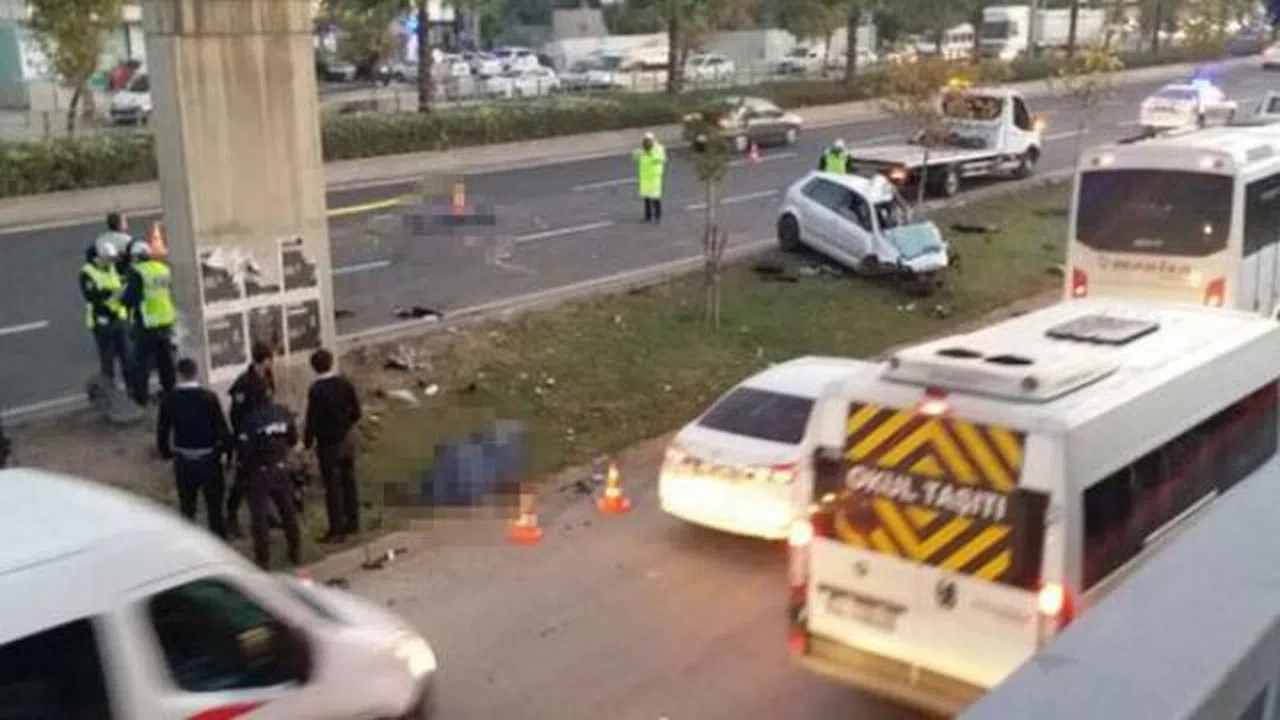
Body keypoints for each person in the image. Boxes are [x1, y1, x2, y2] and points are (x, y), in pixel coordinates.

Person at [156, 357, 232, 538]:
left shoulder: (170, 400)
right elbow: (222, 430)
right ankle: (219, 545)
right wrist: (226, 453)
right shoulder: (209, 398)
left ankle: (190, 545)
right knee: (215, 508)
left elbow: (162, 432)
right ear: (196, 372)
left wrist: (167, 454)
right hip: (209, 460)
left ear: (179, 375)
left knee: (187, 508)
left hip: (184, 460)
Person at [237, 382, 302, 569]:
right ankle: (295, 552)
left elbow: (245, 450)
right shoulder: (283, 413)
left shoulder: (250, 419)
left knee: (259, 517)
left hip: (259, 471)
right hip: (280, 468)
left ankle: (263, 559)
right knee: (288, 510)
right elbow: (293, 439)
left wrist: (244, 468)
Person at [304, 348, 363, 543]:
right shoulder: (344, 383)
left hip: (327, 443)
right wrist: (347, 425)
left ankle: (337, 530)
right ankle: (353, 521)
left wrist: (308, 441)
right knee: (349, 481)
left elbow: (312, 418)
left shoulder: (316, 390)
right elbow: (357, 411)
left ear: (314, 368)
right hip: (346, 439)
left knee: (332, 487)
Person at [225, 342, 276, 537]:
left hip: (265, 435)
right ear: (265, 360)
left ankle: (267, 513)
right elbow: (235, 413)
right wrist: (242, 435)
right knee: (243, 477)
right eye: (271, 360)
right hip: (248, 437)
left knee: (268, 474)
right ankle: (231, 515)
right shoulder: (244, 382)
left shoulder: (268, 378)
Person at [122, 241, 177, 405]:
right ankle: (169, 393)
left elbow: (132, 297)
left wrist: (123, 300)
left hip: (147, 323)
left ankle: (141, 397)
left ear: (136, 257)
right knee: (165, 362)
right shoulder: (162, 269)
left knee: (141, 363)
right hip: (165, 321)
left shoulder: (137, 272)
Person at [79, 237, 130, 384]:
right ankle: (110, 389)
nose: (112, 262)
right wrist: (113, 294)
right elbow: (92, 296)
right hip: (101, 321)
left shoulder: (111, 268)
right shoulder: (87, 273)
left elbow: (119, 281)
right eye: (109, 259)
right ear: (98, 258)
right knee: (107, 359)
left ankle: (131, 387)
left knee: (126, 356)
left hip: (119, 317)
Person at [633, 131, 666, 223]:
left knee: (656, 198)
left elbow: (660, 158)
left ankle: (658, 216)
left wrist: (648, 153)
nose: (646, 142)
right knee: (646, 198)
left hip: (654, 177)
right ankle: (648, 216)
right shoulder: (643, 150)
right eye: (645, 140)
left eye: (648, 140)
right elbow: (635, 156)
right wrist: (639, 152)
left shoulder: (658, 148)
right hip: (645, 178)